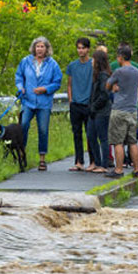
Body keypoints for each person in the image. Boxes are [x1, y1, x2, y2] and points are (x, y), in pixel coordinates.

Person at [14, 35, 62, 170]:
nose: (40, 49)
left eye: (42, 46)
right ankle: (21, 155)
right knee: (23, 126)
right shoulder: (25, 61)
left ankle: (42, 159)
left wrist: (45, 89)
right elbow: (19, 77)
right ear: (34, 48)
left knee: (43, 129)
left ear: (47, 49)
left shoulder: (53, 64)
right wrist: (20, 88)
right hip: (28, 101)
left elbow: (57, 82)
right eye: (37, 46)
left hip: (44, 102)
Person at [104, 44, 138, 178]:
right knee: (132, 141)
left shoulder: (119, 71)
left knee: (117, 142)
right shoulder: (136, 71)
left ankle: (119, 170)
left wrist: (113, 87)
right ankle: (136, 169)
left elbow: (107, 85)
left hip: (119, 109)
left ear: (121, 57)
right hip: (132, 109)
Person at [65, 36, 96, 171]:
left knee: (90, 134)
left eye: (83, 48)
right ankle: (79, 161)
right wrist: (71, 100)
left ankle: (93, 161)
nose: (80, 51)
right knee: (77, 134)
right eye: (78, 48)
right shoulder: (72, 65)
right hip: (76, 104)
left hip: (89, 104)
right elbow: (69, 84)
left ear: (88, 49)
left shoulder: (93, 64)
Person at [87, 49, 113, 173]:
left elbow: (104, 94)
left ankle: (104, 164)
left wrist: (94, 106)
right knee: (91, 135)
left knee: (103, 137)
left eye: (93, 59)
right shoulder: (96, 75)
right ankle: (97, 162)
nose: (92, 61)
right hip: (94, 111)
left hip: (102, 111)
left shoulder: (103, 75)